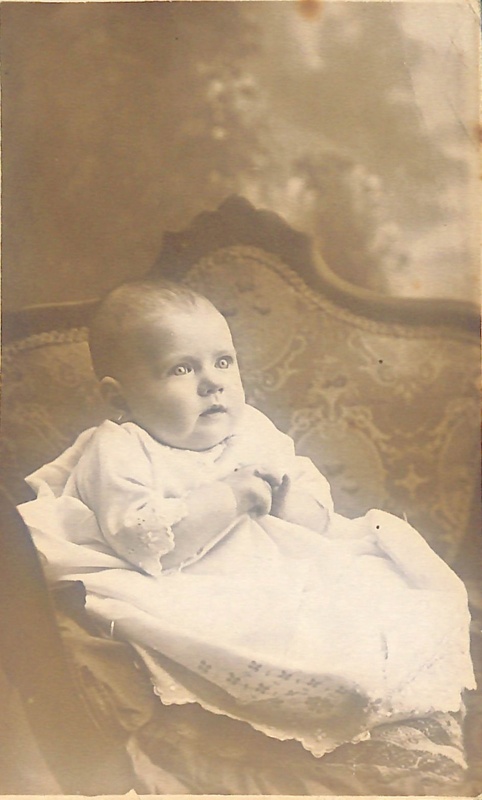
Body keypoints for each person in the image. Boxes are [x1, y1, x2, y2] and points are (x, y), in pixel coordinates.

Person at [18, 278, 475, 758]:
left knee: (379, 598)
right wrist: (228, 497)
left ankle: (396, 708)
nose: (212, 382)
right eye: (181, 368)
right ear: (120, 397)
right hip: (192, 583)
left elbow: (318, 516)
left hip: (287, 567)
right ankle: (326, 712)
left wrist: (284, 500)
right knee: (270, 641)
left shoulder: (251, 427)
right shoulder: (120, 449)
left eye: (223, 361)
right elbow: (143, 539)